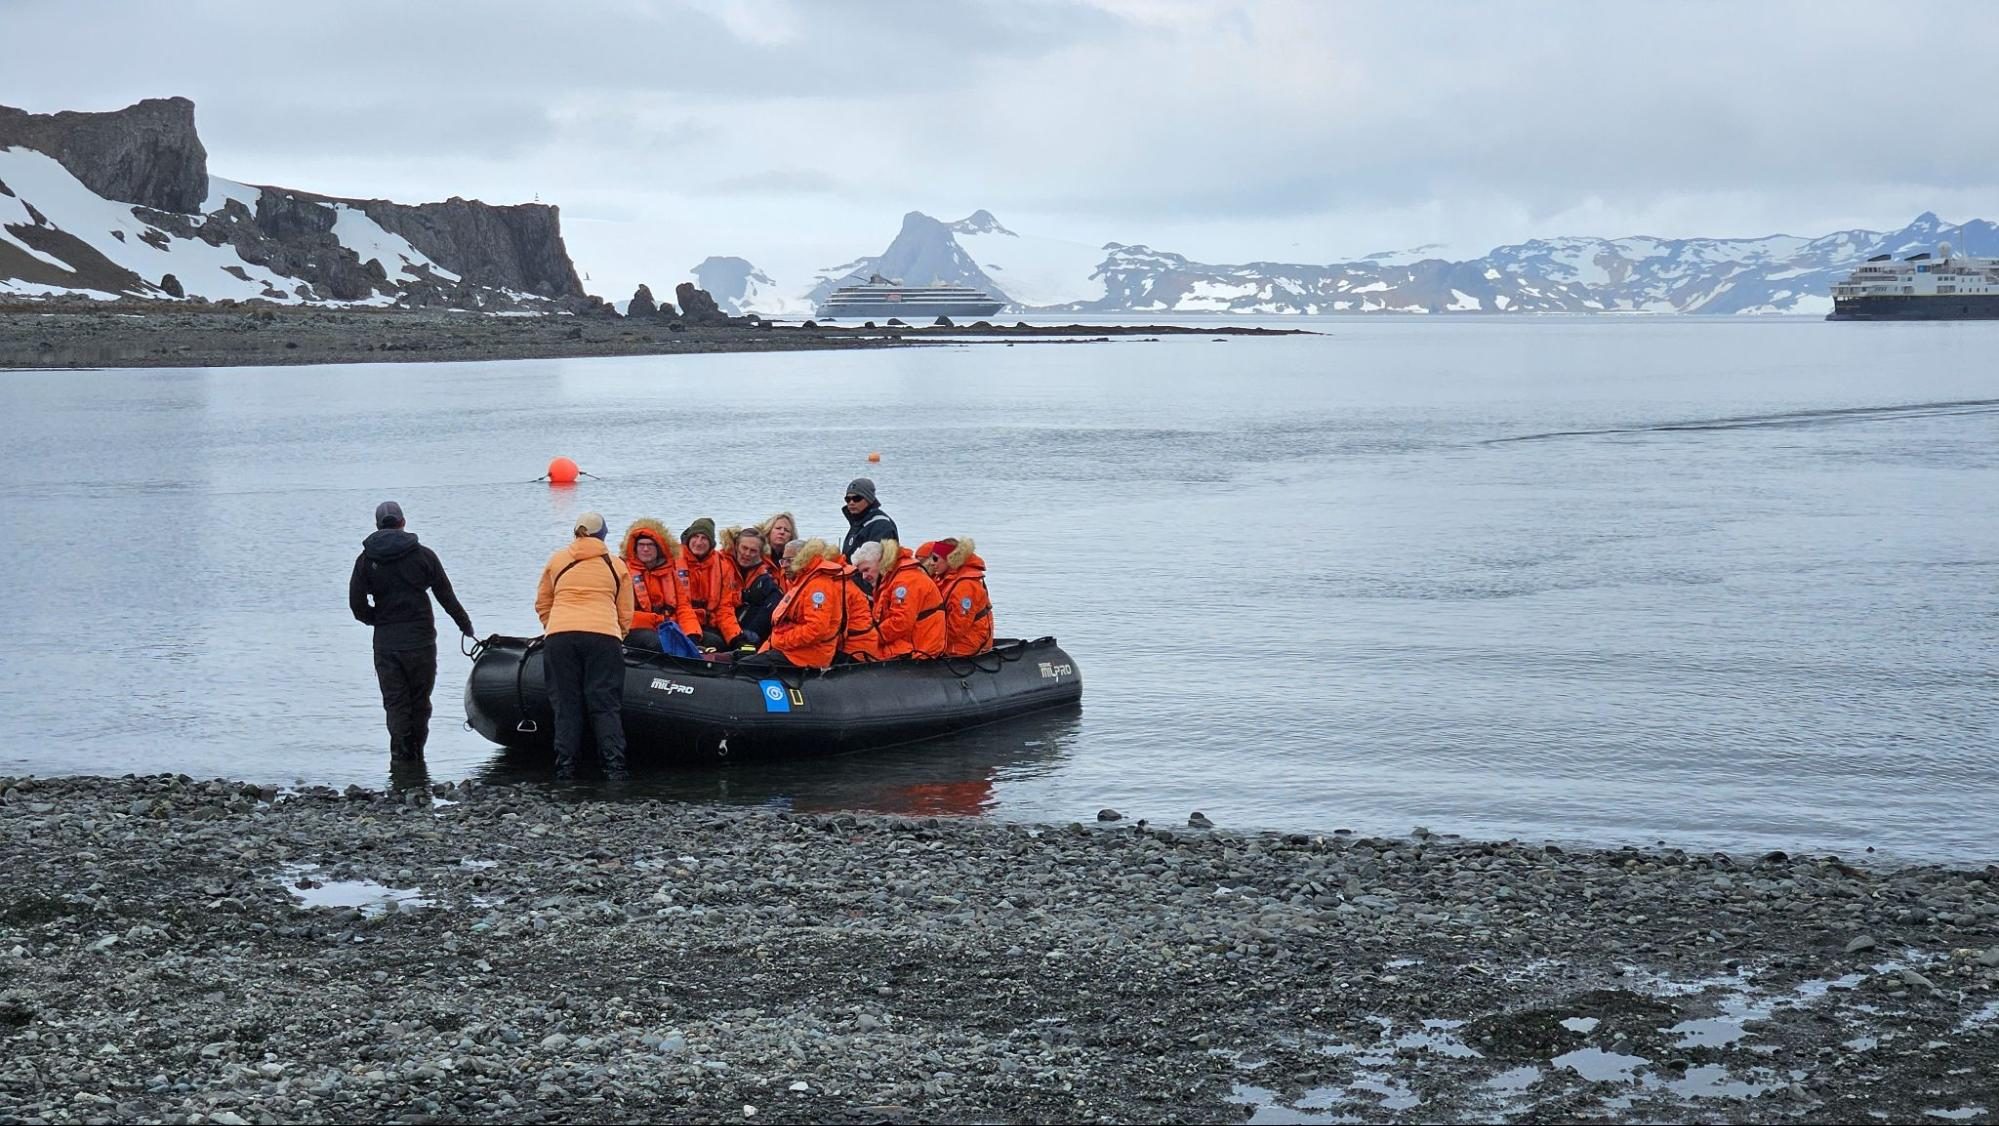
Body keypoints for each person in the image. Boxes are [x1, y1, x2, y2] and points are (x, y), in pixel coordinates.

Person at [348, 501, 474, 762]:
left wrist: (378, 620)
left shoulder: (366, 560)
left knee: (395, 703)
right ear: (403, 523)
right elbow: (445, 595)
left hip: (387, 643)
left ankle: (400, 756)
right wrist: (465, 625)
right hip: (421, 640)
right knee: (420, 701)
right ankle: (417, 755)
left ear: (377, 525)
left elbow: (357, 605)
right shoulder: (423, 555)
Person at [534, 511, 635, 780]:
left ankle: (565, 766)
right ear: (603, 535)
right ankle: (614, 767)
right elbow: (625, 612)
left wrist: (553, 625)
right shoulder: (616, 565)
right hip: (603, 636)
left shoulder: (557, 560)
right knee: (605, 704)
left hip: (560, 637)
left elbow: (543, 602)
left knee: (566, 705)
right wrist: (618, 634)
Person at [762, 538, 846, 668]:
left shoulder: (818, 587)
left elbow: (815, 629)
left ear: (803, 559)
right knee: (742, 660)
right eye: (783, 561)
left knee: (748, 666)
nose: (784, 565)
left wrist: (782, 640)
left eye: (789, 561)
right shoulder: (801, 582)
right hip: (792, 651)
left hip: (806, 656)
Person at [620, 518, 700, 651]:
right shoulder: (624, 573)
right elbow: (624, 614)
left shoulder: (670, 574)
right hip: (635, 630)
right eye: (641, 545)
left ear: (659, 548)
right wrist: (659, 620)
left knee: (711, 641)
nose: (645, 549)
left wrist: (692, 635)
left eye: (650, 545)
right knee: (657, 642)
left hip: (667, 627)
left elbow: (684, 608)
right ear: (634, 548)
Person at [867, 538, 945, 659]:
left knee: (864, 653)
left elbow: (901, 621)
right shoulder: (897, 576)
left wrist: (872, 637)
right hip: (914, 642)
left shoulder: (906, 580)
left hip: (920, 648)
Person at [680, 517, 747, 650]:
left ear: (711, 543)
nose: (699, 542)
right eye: (696, 537)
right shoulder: (674, 562)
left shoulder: (723, 566)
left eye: (704, 538)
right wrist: (692, 635)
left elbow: (725, 608)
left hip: (707, 622)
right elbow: (681, 607)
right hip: (680, 622)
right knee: (714, 642)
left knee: (728, 644)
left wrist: (736, 637)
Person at [927, 537, 994, 657]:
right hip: (952, 639)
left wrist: (929, 641)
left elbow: (957, 628)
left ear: (950, 559)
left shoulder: (965, 586)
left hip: (966, 645)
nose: (931, 562)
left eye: (935, 558)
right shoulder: (945, 579)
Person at [721, 524, 780, 645]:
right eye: (744, 548)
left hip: (742, 622)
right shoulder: (722, 564)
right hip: (721, 622)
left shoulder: (762, 574)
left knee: (774, 597)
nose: (747, 554)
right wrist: (735, 635)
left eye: (753, 551)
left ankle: (753, 638)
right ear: (736, 546)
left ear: (760, 553)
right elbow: (724, 607)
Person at [837, 543, 883, 662]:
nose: (864, 577)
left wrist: (876, 635)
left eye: (867, 570)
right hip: (870, 644)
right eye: (862, 572)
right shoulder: (883, 586)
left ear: (881, 562)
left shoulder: (900, 583)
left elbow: (901, 623)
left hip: (917, 649)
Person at [839, 478, 898, 562]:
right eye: (848, 499)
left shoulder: (881, 526)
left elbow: (875, 565)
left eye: (857, 498)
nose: (851, 502)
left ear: (868, 499)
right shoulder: (857, 523)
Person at [761, 512, 799, 583]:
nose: (782, 532)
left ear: (791, 537)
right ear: (769, 531)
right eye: (778, 528)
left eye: (786, 530)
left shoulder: (795, 561)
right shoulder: (758, 555)